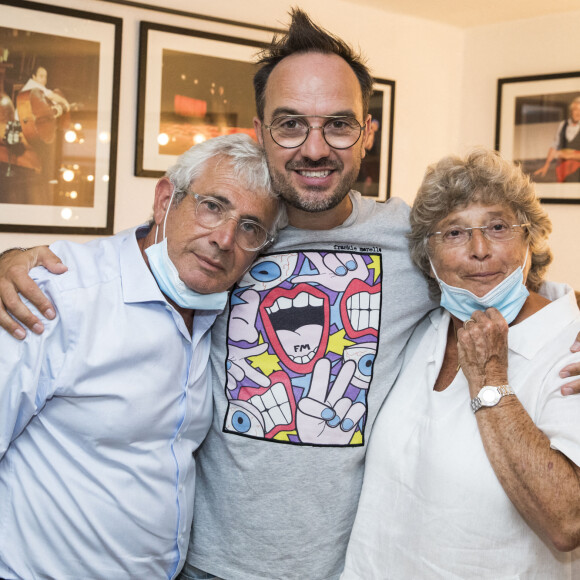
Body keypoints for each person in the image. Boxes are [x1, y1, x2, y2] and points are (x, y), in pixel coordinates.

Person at [1, 10, 580, 580]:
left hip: (341, 565)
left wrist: (570, 313)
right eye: (290, 124)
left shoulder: (410, 239)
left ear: (367, 132)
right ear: (261, 131)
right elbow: (131, 260)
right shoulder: (232, 230)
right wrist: (15, 262)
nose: (314, 148)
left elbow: (491, 270)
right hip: (203, 563)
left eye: (338, 124)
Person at [0, 134, 283, 580]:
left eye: (250, 227)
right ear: (165, 199)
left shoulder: (224, 314)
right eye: (212, 206)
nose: (225, 238)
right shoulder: (59, 296)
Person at [342, 148, 580, 579]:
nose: (480, 250)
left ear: (529, 238)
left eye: (498, 226)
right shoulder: (419, 329)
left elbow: (568, 522)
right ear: (427, 256)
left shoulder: (570, 346)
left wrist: (491, 380)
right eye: (454, 233)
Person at [534, 96, 580, 182]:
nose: (578, 113)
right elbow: (554, 146)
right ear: (571, 111)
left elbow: (560, 153)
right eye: (576, 109)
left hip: (577, 170)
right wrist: (546, 166)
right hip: (562, 168)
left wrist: (567, 155)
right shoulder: (563, 125)